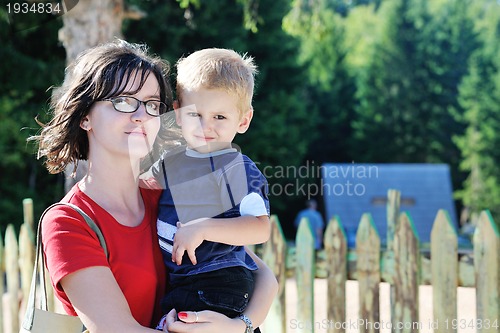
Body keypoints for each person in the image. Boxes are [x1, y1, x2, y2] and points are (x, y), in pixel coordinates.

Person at [29, 39, 277, 333]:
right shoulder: (68, 222)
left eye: (151, 104)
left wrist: (240, 326)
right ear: (85, 116)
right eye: (122, 101)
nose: (141, 115)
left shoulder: (172, 191)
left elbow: (262, 275)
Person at [152, 48, 271, 328]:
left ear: (243, 121)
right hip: (185, 281)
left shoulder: (236, 168)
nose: (206, 126)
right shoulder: (171, 163)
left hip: (217, 279)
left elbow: (259, 227)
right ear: (178, 113)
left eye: (220, 117)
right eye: (195, 114)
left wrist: (203, 228)